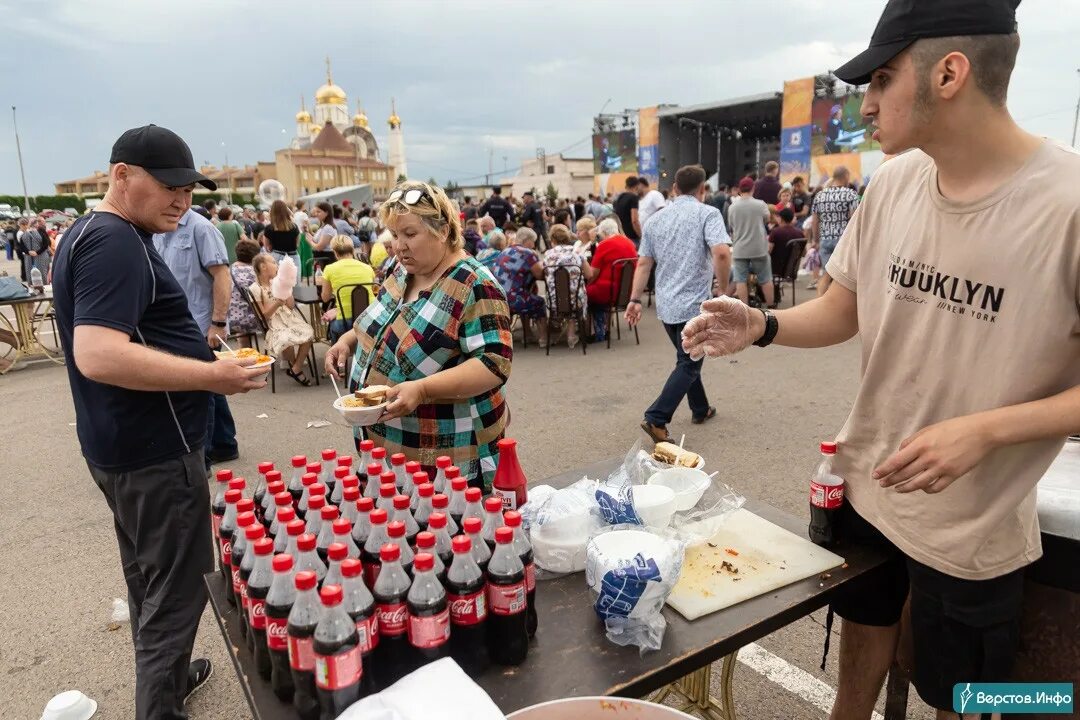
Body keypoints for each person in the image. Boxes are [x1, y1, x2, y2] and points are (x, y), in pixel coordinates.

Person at [682, 3, 1080, 718]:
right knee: (860, 664)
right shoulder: (894, 183)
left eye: (883, 78)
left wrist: (984, 430)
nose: (864, 103)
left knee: (971, 697)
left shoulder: (1068, 204)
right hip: (867, 490)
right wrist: (762, 324)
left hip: (973, 526)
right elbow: (846, 306)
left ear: (950, 74)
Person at [52, 124, 266, 720]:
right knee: (178, 585)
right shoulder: (115, 241)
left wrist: (205, 361)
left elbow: (121, 339)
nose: (182, 200)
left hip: (119, 443)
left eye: (190, 189)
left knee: (150, 575)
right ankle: (160, 706)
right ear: (121, 176)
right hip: (152, 450)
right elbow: (97, 353)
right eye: (169, 185)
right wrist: (211, 377)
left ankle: (169, 676)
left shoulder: (92, 234)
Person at [324, 180, 513, 488]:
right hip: (389, 446)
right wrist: (347, 341)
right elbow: (384, 323)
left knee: (443, 531)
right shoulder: (401, 271)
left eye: (410, 234)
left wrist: (422, 390)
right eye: (395, 235)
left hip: (446, 458)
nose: (398, 245)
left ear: (443, 230)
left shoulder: (474, 284)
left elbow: (494, 364)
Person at [625, 164, 730, 442]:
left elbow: (644, 263)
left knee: (687, 358)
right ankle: (656, 418)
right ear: (702, 189)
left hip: (667, 305)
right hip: (695, 303)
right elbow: (721, 253)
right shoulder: (708, 213)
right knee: (689, 363)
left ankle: (700, 408)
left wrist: (635, 299)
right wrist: (723, 288)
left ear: (674, 188)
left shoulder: (655, 220)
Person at [153, 206, 240, 469]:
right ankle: (225, 444)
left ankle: (200, 457)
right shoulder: (159, 228)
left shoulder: (201, 228)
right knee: (209, 382)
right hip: (174, 324)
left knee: (198, 390)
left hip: (200, 322)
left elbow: (222, 276)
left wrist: (218, 322)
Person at [249, 253, 315, 385]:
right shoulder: (255, 289)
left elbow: (290, 306)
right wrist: (277, 303)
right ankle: (292, 364)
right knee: (286, 338)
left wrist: (287, 288)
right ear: (263, 267)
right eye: (273, 262)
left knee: (309, 332)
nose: (277, 265)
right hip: (273, 325)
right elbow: (264, 316)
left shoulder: (277, 282)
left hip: (289, 319)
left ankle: (295, 367)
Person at [490, 226, 547, 345]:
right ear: (529, 241)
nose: (533, 245)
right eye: (533, 242)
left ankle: (528, 335)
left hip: (498, 299)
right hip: (514, 300)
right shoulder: (528, 253)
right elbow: (540, 275)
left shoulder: (505, 251)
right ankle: (543, 338)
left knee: (524, 294)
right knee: (539, 302)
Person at [542, 223, 594, 349]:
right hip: (575, 301)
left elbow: (542, 273)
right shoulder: (577, 255)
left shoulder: (548, 255)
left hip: (554, 301)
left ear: (552, 239)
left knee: (562, 293)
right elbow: (589, 274)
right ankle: (571, 335)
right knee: (575, 292)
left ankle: (555, 328)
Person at [810, 165, 859, 297]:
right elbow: (854, 218)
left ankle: (820, 302)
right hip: (843, 241)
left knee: (826, 274)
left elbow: (815, 221)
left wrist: (815, 240)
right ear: (847, 177)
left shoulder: (820, 195)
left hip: (825, 240)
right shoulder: (850, 194)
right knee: (841, 278)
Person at [586, 217, 638, 342]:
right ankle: (606, 329)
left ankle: (591, 331)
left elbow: (593, 274)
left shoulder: (604, 245)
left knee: (582, 293)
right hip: (625, 293)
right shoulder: (629, 243)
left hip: (607, 292)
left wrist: (585, 285)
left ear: (603, 232)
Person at [728, 176, 774, 307]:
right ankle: (771, 307)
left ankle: (745, 309)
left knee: (740, 279)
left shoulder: (732, 207)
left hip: (740, 248)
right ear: (753, 188)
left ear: (739, 190)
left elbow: (732, 226)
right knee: (765, 279)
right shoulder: (760, 204)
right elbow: (767, 219)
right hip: (758, 247)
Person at [321, 234, 376, 341]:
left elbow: (325, 298)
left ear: (335, 253)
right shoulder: (368, 268)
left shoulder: (329, 269)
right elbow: (369, 291)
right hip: (368, 319)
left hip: (345, 322)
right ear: (352, 250)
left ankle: (338, 353)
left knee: (333, 324)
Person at [227, 239, 260, 347]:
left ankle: (246, 353)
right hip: (253, 319)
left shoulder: (229, 270)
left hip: (231, 319)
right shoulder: (255, 272)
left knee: (241, 317)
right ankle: (284, 358)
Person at [259, 199, 302, 279]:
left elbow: (266, 247)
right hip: (293, 257)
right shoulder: (294, 227)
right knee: (295, 286)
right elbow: (297, 244)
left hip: (277, 256)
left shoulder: (269, 228)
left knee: (277, 285)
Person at [767, 207, 804, 282]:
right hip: (791, 270)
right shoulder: (800, 233)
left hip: (775, 269)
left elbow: (768, 251)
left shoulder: (775, 232)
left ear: (781, 218)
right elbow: (803, 253)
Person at [613, 175, 643, 244]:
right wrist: (641, 235)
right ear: (636, 186)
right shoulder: (634, 198)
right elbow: (634, 220)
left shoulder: (620, 198)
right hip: (632, 237)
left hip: (621, 235)